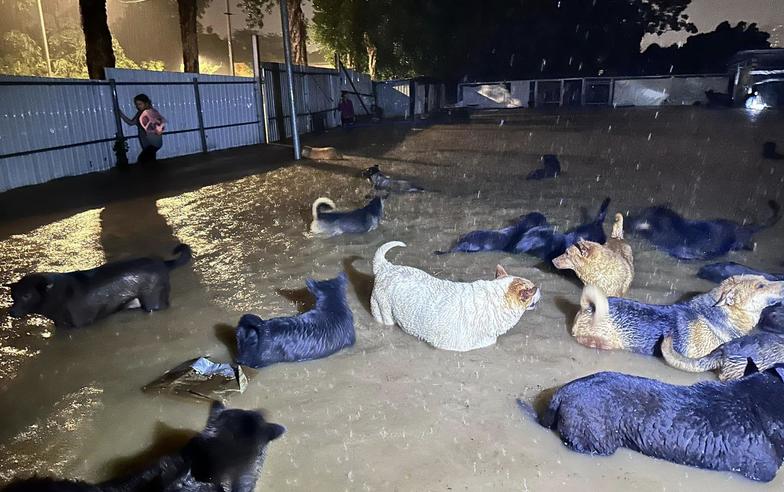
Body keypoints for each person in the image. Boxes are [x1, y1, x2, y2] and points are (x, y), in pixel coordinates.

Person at [120, 94, 166, 165]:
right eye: (137, 104)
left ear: (146, 103)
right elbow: (131, 123)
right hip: (145, 141)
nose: (138, 106)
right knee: (150, 161)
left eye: (140, 104)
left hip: (153, 142)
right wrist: (121, 114)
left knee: (142, 159)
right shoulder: (139, 114)